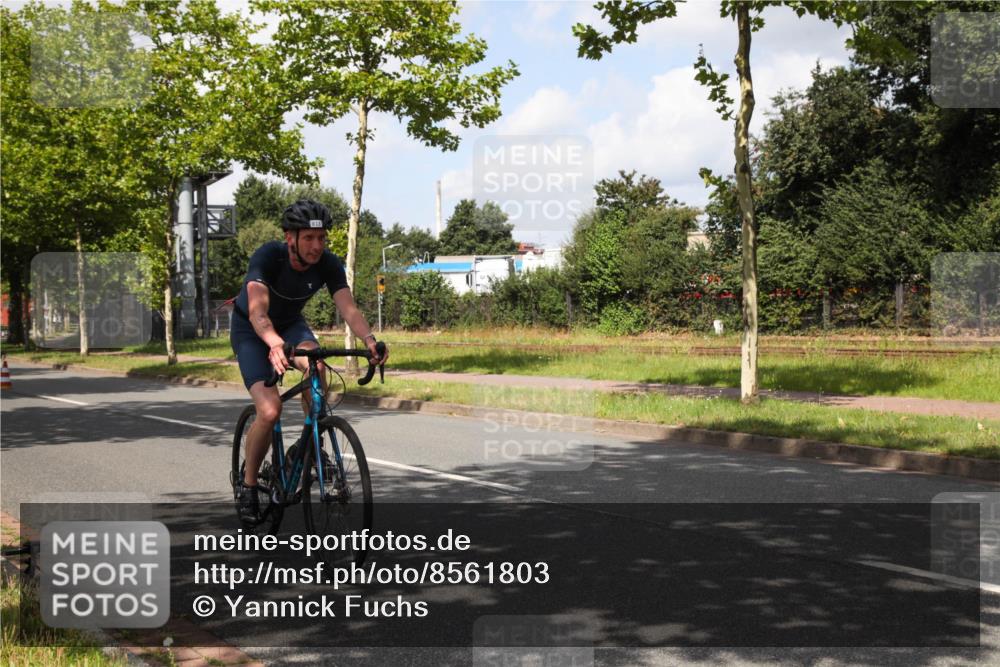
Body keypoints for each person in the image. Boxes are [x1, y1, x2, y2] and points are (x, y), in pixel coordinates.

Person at [230, 198, 387, 522]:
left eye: (322, 238)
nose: (317, 246)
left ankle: (309, 445)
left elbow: (349, 309)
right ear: (291, 238)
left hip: (290, 325)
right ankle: (247, 485)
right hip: (251, 328)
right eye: (309, 238)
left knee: (317, 366)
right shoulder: (268, 257)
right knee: (270, 410)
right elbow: (259, 311)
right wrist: (273, 343)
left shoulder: (328, 263)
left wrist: (370, 341)